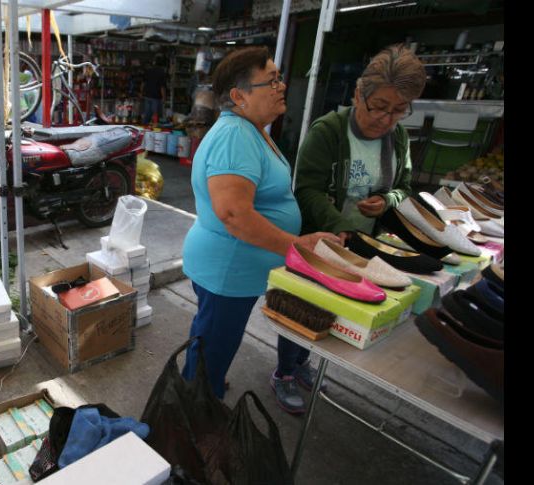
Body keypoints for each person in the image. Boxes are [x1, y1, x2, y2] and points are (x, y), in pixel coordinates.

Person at [273, 44, 427, 413]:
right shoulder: (328, 131)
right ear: (359, 94)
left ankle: (304, 362)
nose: (386, 119)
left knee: (335, 311)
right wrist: (342, 227)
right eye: (379, 107)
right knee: (304, 307)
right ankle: (284, 372)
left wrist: (386, 200)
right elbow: (306, 189)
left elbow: (404, 185)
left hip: (365, 247)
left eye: (398, 111)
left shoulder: (398, 138)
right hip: (324, 241)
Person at [181, 46, 339, 399]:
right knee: (212, 350)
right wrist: (297, 246)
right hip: (228, 269)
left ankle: (200, 392)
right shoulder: (236, 136)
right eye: (271, 81)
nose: (281, 86)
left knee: (211, 341)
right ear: (239, 96)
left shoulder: (250, 129)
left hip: (233, 268)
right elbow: (234, 214)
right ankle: (195, 417)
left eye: (280, 77)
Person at [140, 56, 167, 124]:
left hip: (147, 95)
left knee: (147, 113)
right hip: (156, 97)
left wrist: (141, 93)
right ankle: (154, 128)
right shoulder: (161, 72)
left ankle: (144, 126)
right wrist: (164, 98)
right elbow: (162, 87)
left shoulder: (148, 70)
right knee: (155, 115)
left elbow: (143, 83)